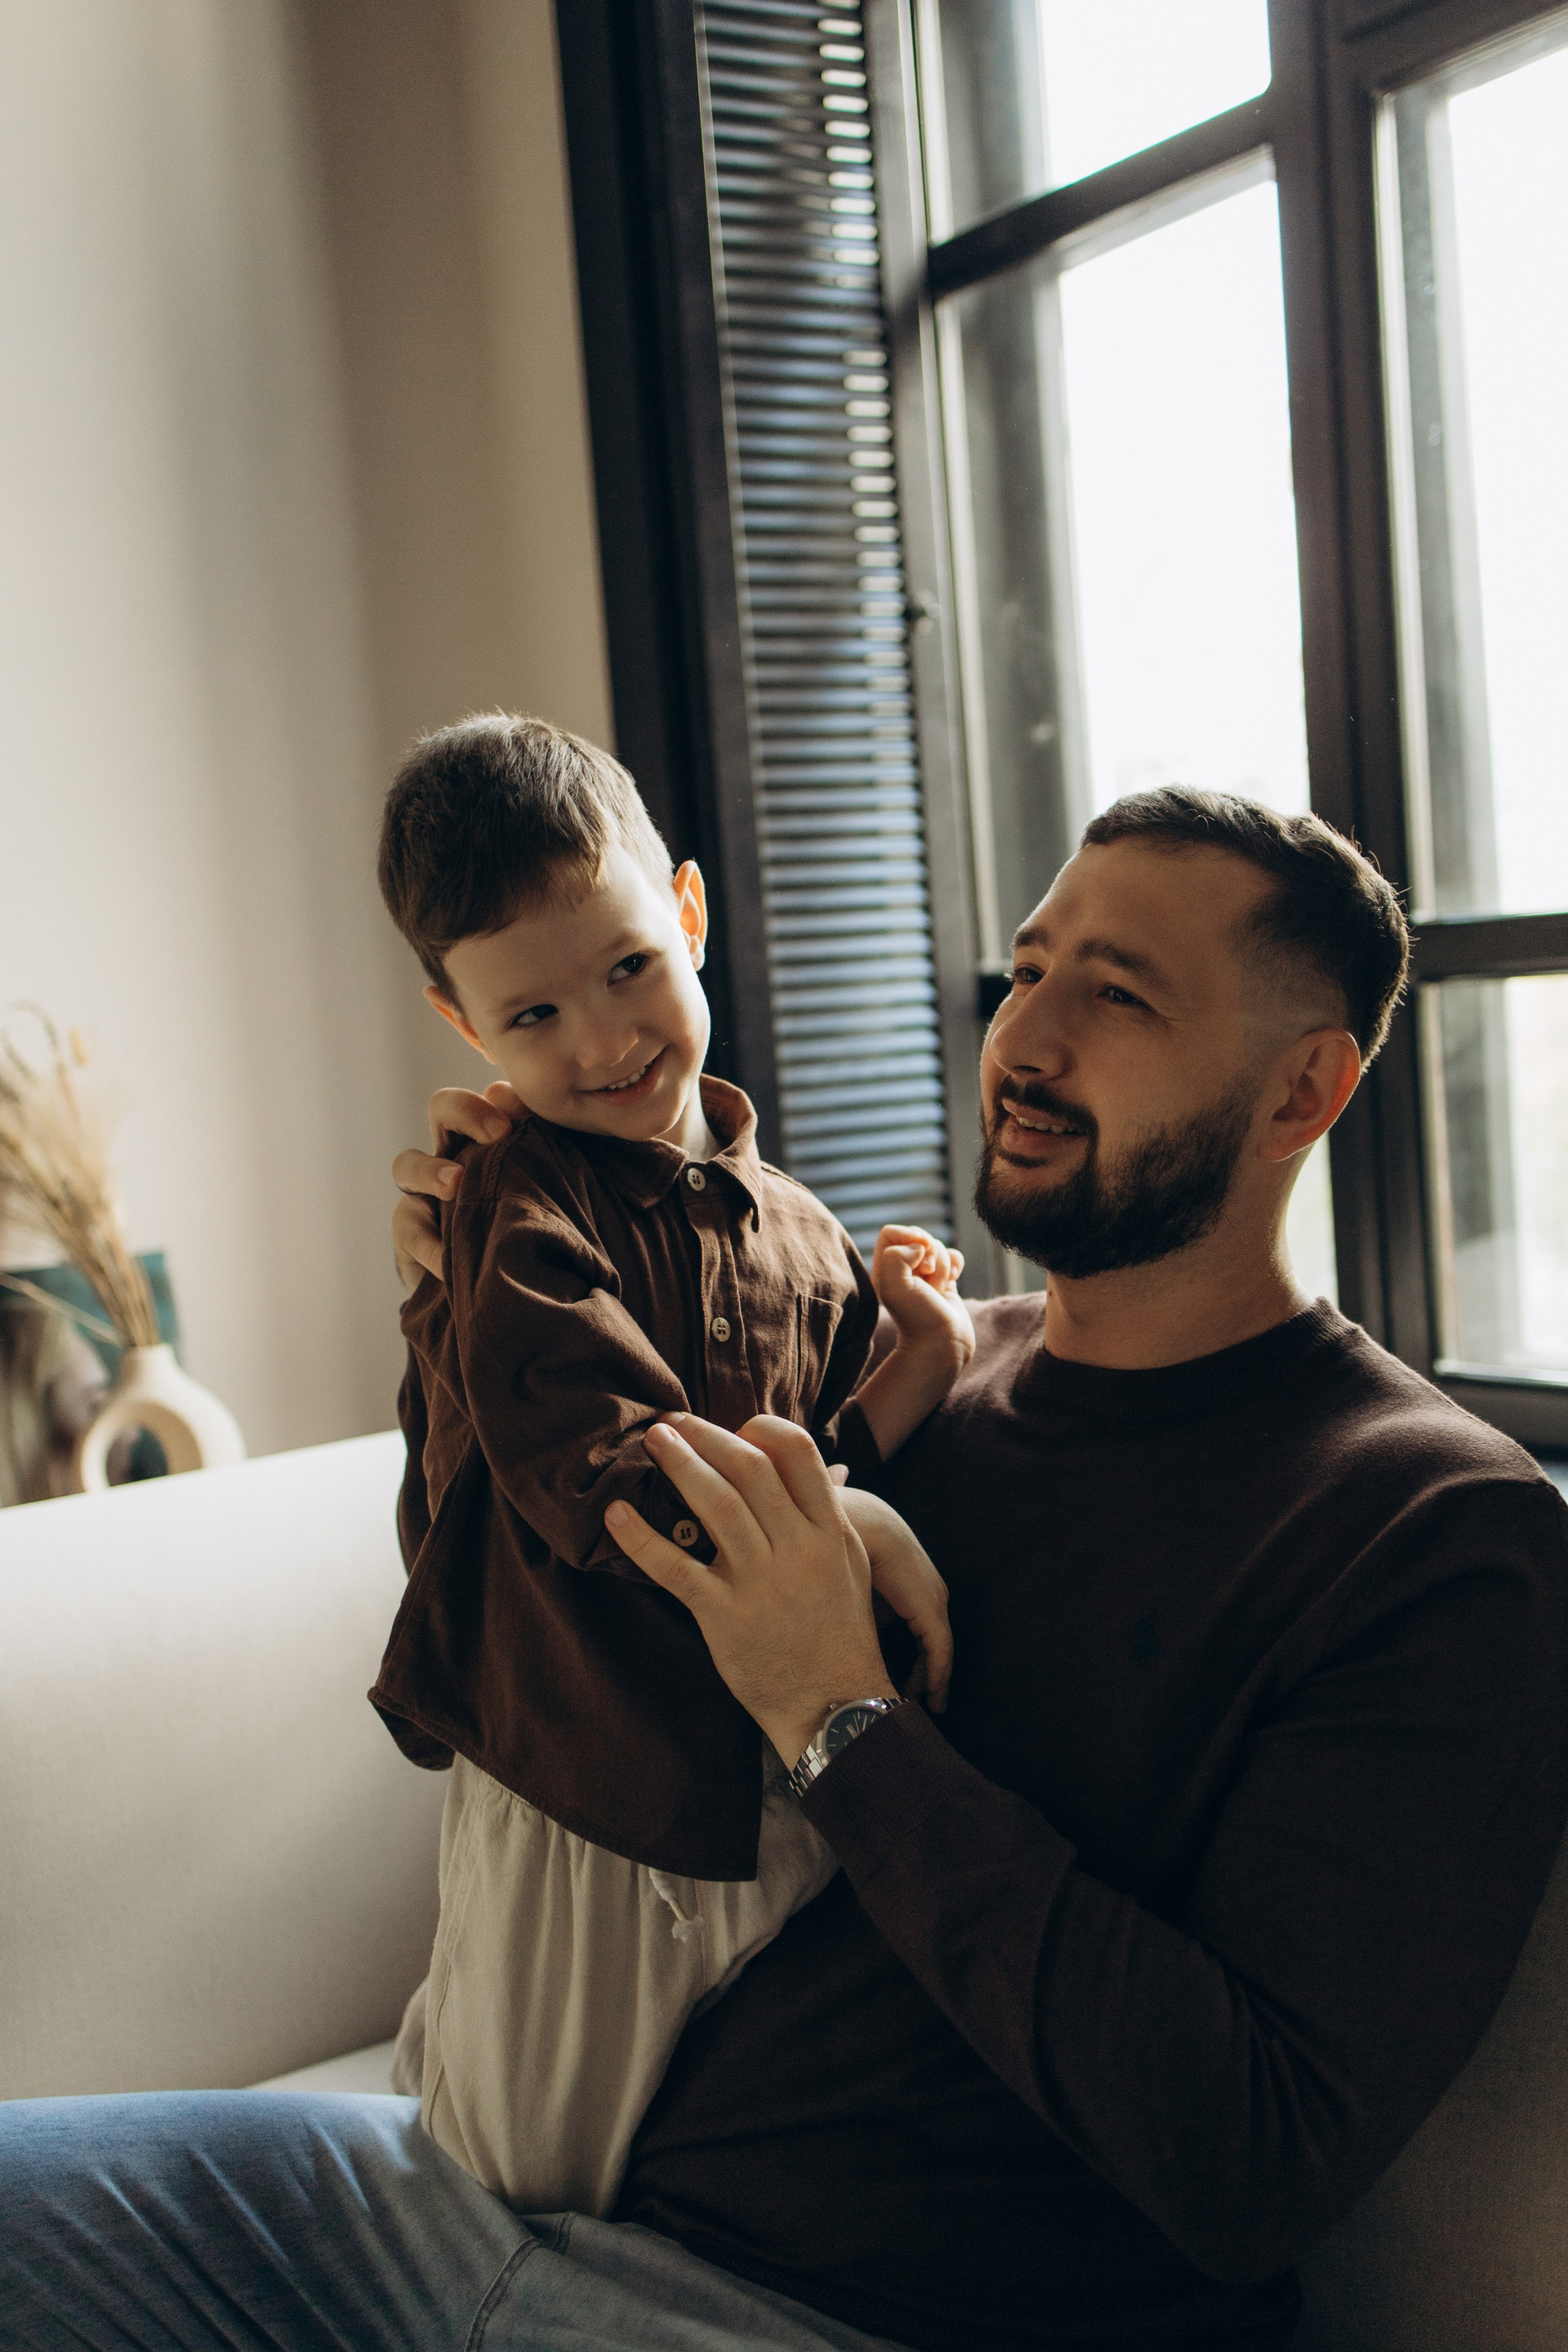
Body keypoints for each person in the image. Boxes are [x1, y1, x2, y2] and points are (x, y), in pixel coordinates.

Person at [3, 786, 1565, 2352]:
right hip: (481, 2209)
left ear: (1303, 1089)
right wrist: (455, 1322)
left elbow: (1250, 2159)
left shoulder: (1430, 1531)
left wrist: (838, 1715)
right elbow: (506, 1598)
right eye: (1030, 970)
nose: (1026, 1039)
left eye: (1119, 995)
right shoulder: (908, 1367)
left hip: (837, 2317)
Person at [369, 714, 969, 2216]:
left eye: (629, 967)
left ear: (689, 912)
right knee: (514, 2177)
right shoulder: (512, 1202)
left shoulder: (803, 1229)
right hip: (582, 1774)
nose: (603, 1042)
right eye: (533, 1015)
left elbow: (822, 1458)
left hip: (765, 1780)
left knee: (705, 2172)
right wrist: (852, 1518)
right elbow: (603, 1465)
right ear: (463, 1025)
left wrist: (924, 1362)